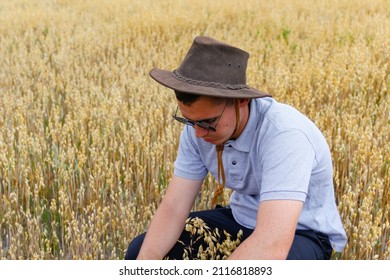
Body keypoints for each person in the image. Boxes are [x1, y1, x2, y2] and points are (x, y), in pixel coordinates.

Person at [125, 35, 347, 260]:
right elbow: (174, 208)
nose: (198, 133)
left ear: (241, 101)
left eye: (208, 123)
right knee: (139, 252)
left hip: (303, 234)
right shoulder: (197, 129)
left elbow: (273, 243)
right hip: (239, 220)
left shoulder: (285, 134)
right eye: (188, 120)